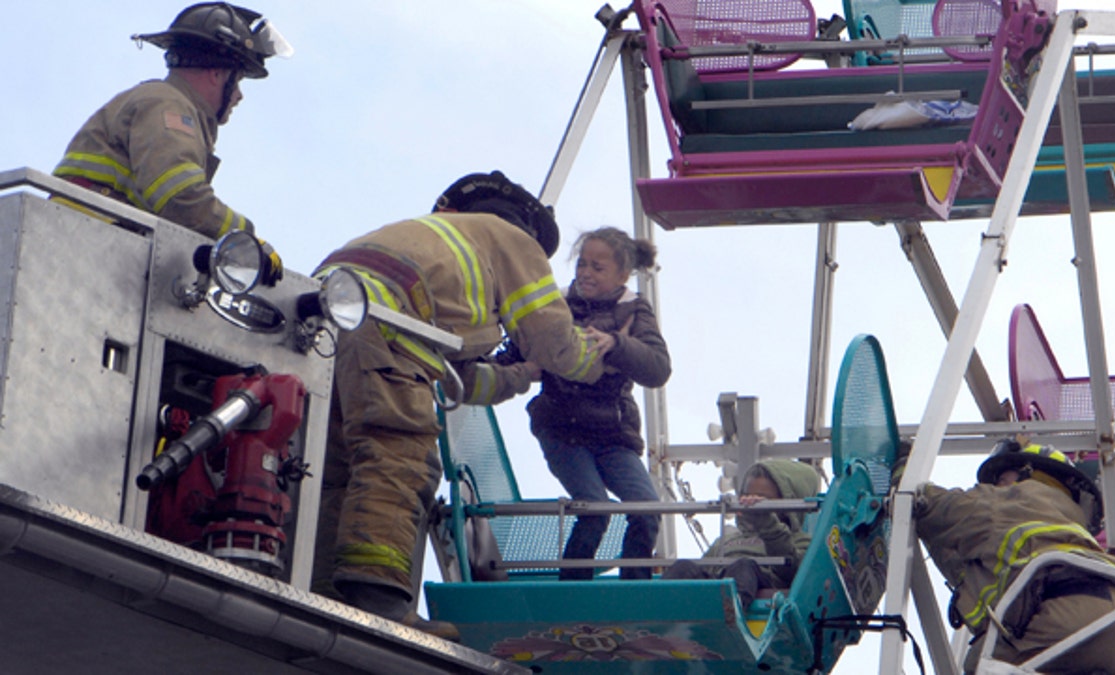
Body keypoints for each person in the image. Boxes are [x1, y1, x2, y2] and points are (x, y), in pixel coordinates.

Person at [311, 171, 608, 640]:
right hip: (386, 327)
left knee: (336, 468)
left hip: (320, 325)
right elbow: (553, 339)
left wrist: (520, 375)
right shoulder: (509, 239)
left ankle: (323, 590)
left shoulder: (428, 240)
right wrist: (597, 361)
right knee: (399, 455)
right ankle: (378, 598)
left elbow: (458, 381)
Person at [904, 438, 1115, 674]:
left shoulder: (1013, 499)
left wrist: (903, 476)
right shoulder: (1075, 533)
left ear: (1027, 473)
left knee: (982, 662)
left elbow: (941, 508)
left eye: (1002, 478)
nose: (996, 485)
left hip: (1070, 622)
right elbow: (968, 566)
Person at [52, 3, 290, 258]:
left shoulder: (158, 100)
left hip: (83, 241)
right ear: (216, 73)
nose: (239, 96)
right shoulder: (169, 106)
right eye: (238, 80)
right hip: (89, 247)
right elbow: (182, 198)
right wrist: (246, 239)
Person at [525, 227, 672, 580]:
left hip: (612, 435)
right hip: (564, 430)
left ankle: (633, 589)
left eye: (597, 267)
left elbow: (658, 368)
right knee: (594, 509)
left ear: (622, 275)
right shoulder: (557, 305)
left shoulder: (633, 309)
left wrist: (617, 345)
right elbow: (520, 349)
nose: (586, 273)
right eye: (582, 264)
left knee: (647, 509)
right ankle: (572, 591)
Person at [662, 459, 822, 611]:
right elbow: (705, 569)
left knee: (743, 567)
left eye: (762, 499)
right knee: (683, 568)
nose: (751, 502)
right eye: (747, 496)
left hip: (760, 584)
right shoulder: (727, 540)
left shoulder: (800, 541)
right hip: (720, 581)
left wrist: (768, 525)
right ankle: (656, 612)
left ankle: (729, 612)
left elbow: (794, 575)